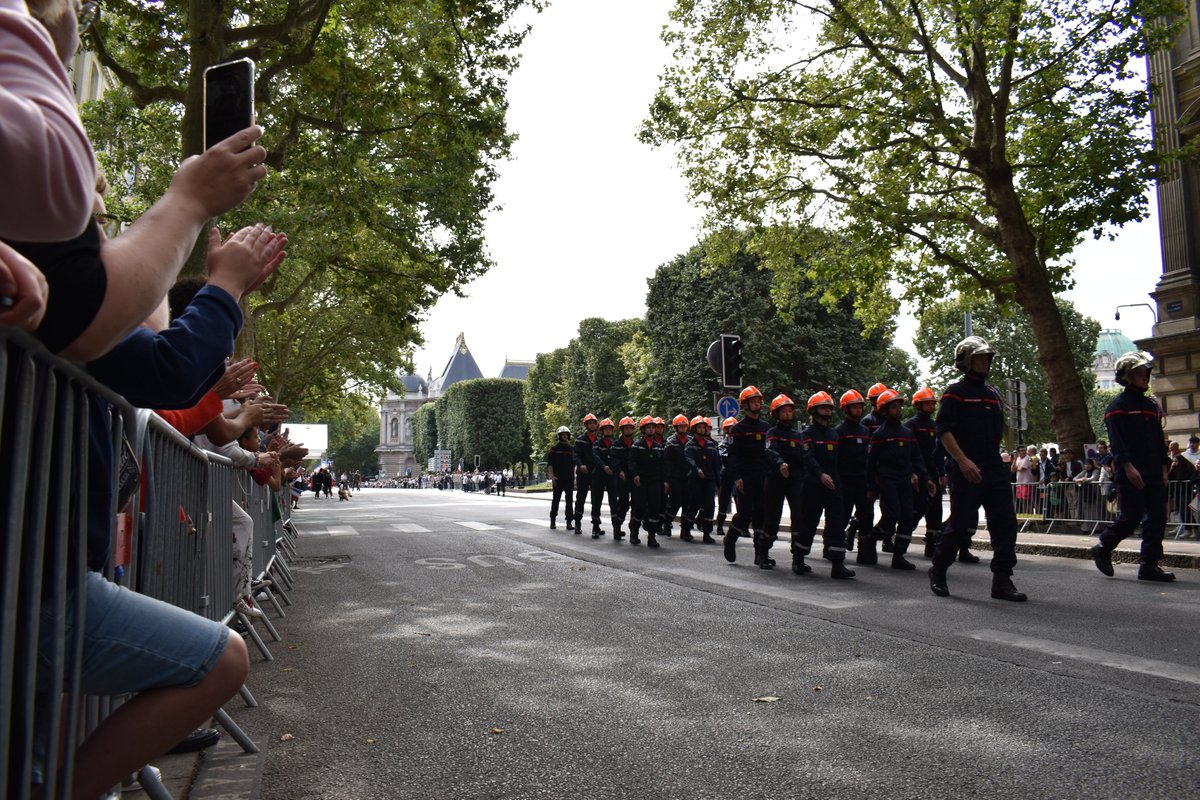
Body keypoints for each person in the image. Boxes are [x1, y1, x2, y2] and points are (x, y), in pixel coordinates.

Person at [929, 336, 1027, 601]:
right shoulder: (954, 392)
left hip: (994, 467)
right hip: (966, 468)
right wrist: (962, 461)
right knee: (961, 525)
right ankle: (938, 568)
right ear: (966, 361)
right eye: (979, 357)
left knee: (1006, 523)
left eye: (987, 357)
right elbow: (944, 431)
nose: (985, 361)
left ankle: (1002, 580)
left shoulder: (993, 394)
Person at [1089, 352, 1176, 581]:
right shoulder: (1117, 406)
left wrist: (1164, 468)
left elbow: (1159, 441)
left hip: (1153, 470)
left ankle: (1149, 564)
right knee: (1131, 517)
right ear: (1128, 376)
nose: (1145, 376)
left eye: (1145, 372)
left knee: (1157, 517)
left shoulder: (1151, 406)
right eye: (1139, 373)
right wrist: (1128, 467)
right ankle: (1103, 547)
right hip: (1131, 472)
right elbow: (1118, 442)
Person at [867, 389, 933, 570]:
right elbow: (871, 462)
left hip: (905, 480)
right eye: (893, 407)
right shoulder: (879, 435)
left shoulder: (906, 432)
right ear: (884, 410)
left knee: (906, 516)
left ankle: (899, 555)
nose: (898, 410)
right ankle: (872, 537)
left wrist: (925, 479)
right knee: (892, 514)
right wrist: (871, 485)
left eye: (899, 406)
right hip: (887, 480)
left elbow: (917, 458)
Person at [906, 387, 970, 562]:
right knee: (917, 507)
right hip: (918, 473)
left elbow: (940, 452)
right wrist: (912, 473)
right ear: (918, 405)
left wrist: (942, 474)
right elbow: (908, 453)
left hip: (933, 472)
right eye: (927, 403)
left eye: (932, 403)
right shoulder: (910, 426)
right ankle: (901, 537)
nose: (930, 406)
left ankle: (931, 544)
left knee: (935, 510)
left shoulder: (936, 426)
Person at [723, 386, 771, 564]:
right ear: (745, 405)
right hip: (745, 476)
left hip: (763, 476)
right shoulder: (738, 429)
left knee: (762, 513)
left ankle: (760, 554)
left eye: (759, 401)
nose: (757, 404)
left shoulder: (766, 427)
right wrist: (737, 477)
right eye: (753, 401)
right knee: (745, 513)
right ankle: (730, 540)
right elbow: (732, 456)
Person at [761, 394, 805, 571]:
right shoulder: (772, 433)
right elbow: (771, 451)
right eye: (783, 411)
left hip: (795, 480)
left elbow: (804, 456)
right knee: (772, 517)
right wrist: (780, 463)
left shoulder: (797, 435)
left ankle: (798, 558)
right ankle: (763, 553)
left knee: (799, 516)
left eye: (789, 411)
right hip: (775, 479)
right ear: (776, 414)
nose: (787, 414)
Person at [835, 389, 871, 556]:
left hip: (862, 480)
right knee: (842, 515)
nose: (858, 410)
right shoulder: (839, 431)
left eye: (859, 407)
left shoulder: (865, 431)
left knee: (866, 515)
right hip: (845, 479)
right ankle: (834, 547)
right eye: (854, 407)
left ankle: (864, 551)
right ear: (846, 409)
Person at [683, 415, 720, 544]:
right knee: (694, 504)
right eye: (699, 427)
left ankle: (707, 533)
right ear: (694, 429)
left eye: (703, 427)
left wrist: (718, 482)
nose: (702, 429)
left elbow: (716, 464)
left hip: (708, 479)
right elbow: (689, 459)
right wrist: (697, 469)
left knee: (709, 506)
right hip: (695, 479)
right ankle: (686, 530)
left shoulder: (711, 445)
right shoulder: (690, 445)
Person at [629, 415, 664, 548]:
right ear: (643, 430)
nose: (651, 430)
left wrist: (665, 481)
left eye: (652, 427)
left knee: (655, 508)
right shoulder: (637, 445)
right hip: (641, 481)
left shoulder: (658, 447)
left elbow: (663, 465)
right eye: (648, 427)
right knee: (639, 507)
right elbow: (631, 462)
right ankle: (634, 532)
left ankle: (652, 536)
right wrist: (635, 474)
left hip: (655, 481)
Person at [662, 414, 691, 539]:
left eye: (685, 426)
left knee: (688, 504)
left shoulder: (691, 441)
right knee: (675, 502)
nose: (683, 429)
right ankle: (667, 522)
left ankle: (685, 530)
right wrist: (668, 480)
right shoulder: (670, 442)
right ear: (676, 427)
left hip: (689, 477)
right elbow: (667, 462)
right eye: (681, 426)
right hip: (675, 477)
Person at [589, 418, 619, 538]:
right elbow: (596, 457)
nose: (608, 431)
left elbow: (617, 458)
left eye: (609, 429)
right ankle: (595, 527)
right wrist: (603, 466)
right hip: (598, 476)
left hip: (612, 476)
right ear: (601, 431)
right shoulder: (597, 443)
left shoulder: (615, 444)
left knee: (614, 502)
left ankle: (616, 528)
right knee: (596, 501)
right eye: (605, 429)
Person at [610, 417, 638, 540]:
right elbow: (614, 461)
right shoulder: (616, 445)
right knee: (624, 504)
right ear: (622, 430)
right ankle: (617, 526)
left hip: (635, 477)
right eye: (626, 428)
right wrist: (619, 471)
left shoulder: (636, 444)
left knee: (637, 504)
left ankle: (634, 531)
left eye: (630, 427)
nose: (628, 430)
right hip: (622, 478)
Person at [572, 413, 599, 531]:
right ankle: (577, 522)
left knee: (596, 499)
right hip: (583, 472)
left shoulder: (599, 440)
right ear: (586, 425)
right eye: (590, 423)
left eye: (594, 423)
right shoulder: (580, 440)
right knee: (581, 497)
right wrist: (580, 464)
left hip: (596, 473)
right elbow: (575, 454)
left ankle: (596, 525)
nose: (592, 425)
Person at [547, 425, 575, 530]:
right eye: (562, 434)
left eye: (566, 434)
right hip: (558, 478)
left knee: (569, 500)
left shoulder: (571, 449)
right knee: (556, 500)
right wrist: (552, 477)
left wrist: (573, 477)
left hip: (569, 479)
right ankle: (553, 520)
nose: (565, 436)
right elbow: (550, 464)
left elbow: (573, 465)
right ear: (559, 436)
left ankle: (569, 522)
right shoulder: (554, 449)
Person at [714, 416, 737, 535]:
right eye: (730, 428)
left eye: (734, 428)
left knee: (741, 501)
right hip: (727, 475)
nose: (732, 430)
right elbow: (725, 456)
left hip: (739, 475)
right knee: (724, 501)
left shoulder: (741, 443)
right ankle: (720, 526)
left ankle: (742, 528)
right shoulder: (723, 444)